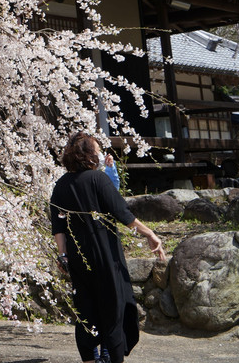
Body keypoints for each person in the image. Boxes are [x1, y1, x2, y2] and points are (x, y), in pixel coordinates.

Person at [50, 132, 166, 363]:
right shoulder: (98, 179)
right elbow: (124, 215)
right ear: (89, 154)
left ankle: (91, 359)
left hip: (78, 258)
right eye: (97, 149)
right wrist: (150, 234)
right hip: (106, 256)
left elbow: (58, 226)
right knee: (115, 308)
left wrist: (63, 255)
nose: (101, 153)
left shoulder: (61, 185)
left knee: (86, 310)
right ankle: (111, 356)